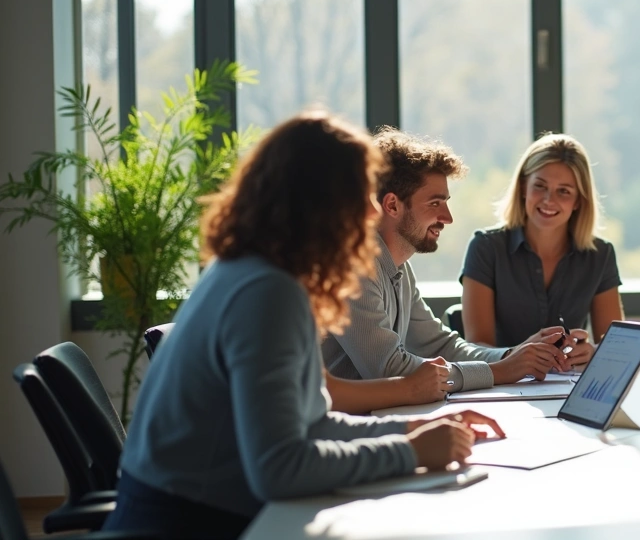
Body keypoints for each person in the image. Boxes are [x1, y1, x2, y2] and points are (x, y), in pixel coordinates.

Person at [103, 113, 503, 539]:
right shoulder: (267, 292)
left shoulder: (260, 272)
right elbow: (279, 469)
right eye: (359, 193)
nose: (370, 210)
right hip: (188, 524)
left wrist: (411, 429)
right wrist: (409, 450)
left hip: (209, 510)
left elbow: (314, 421)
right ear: (320, 202)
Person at [322, 129, 577, 410]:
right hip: (340, 434)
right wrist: (499, 371)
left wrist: (515, 355)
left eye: (446, 202)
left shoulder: (399, 270)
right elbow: (389, 369)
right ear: (392, 205)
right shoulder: (351, 267)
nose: (448, 218)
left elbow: (442, 345)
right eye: (435, 203)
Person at [460, 133, 623, 348]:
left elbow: (615, 348)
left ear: (578, 201)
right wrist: (521, 358)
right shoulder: (486, 248)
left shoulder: (600, 255)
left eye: (563, 191)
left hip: (568, 380)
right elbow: (477, 347)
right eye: (540, 186)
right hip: (503, 381)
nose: (548, 200)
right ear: (523, 188)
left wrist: (591, 354)